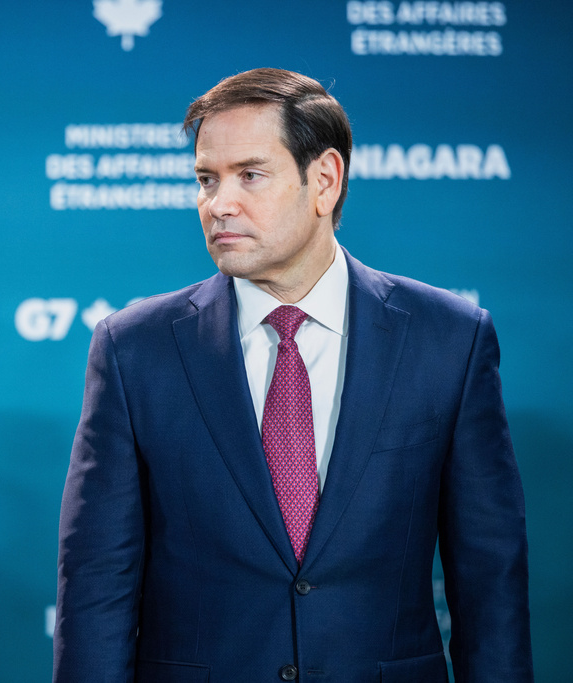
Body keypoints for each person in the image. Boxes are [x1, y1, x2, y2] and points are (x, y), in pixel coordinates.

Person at [54, 68, 532, 682]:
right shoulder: (134, 348)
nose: (218, 203)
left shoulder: (449, 340)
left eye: (249, 175)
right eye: (206, 179)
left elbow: (489, 575)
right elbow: (97, 579)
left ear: (324, 181)